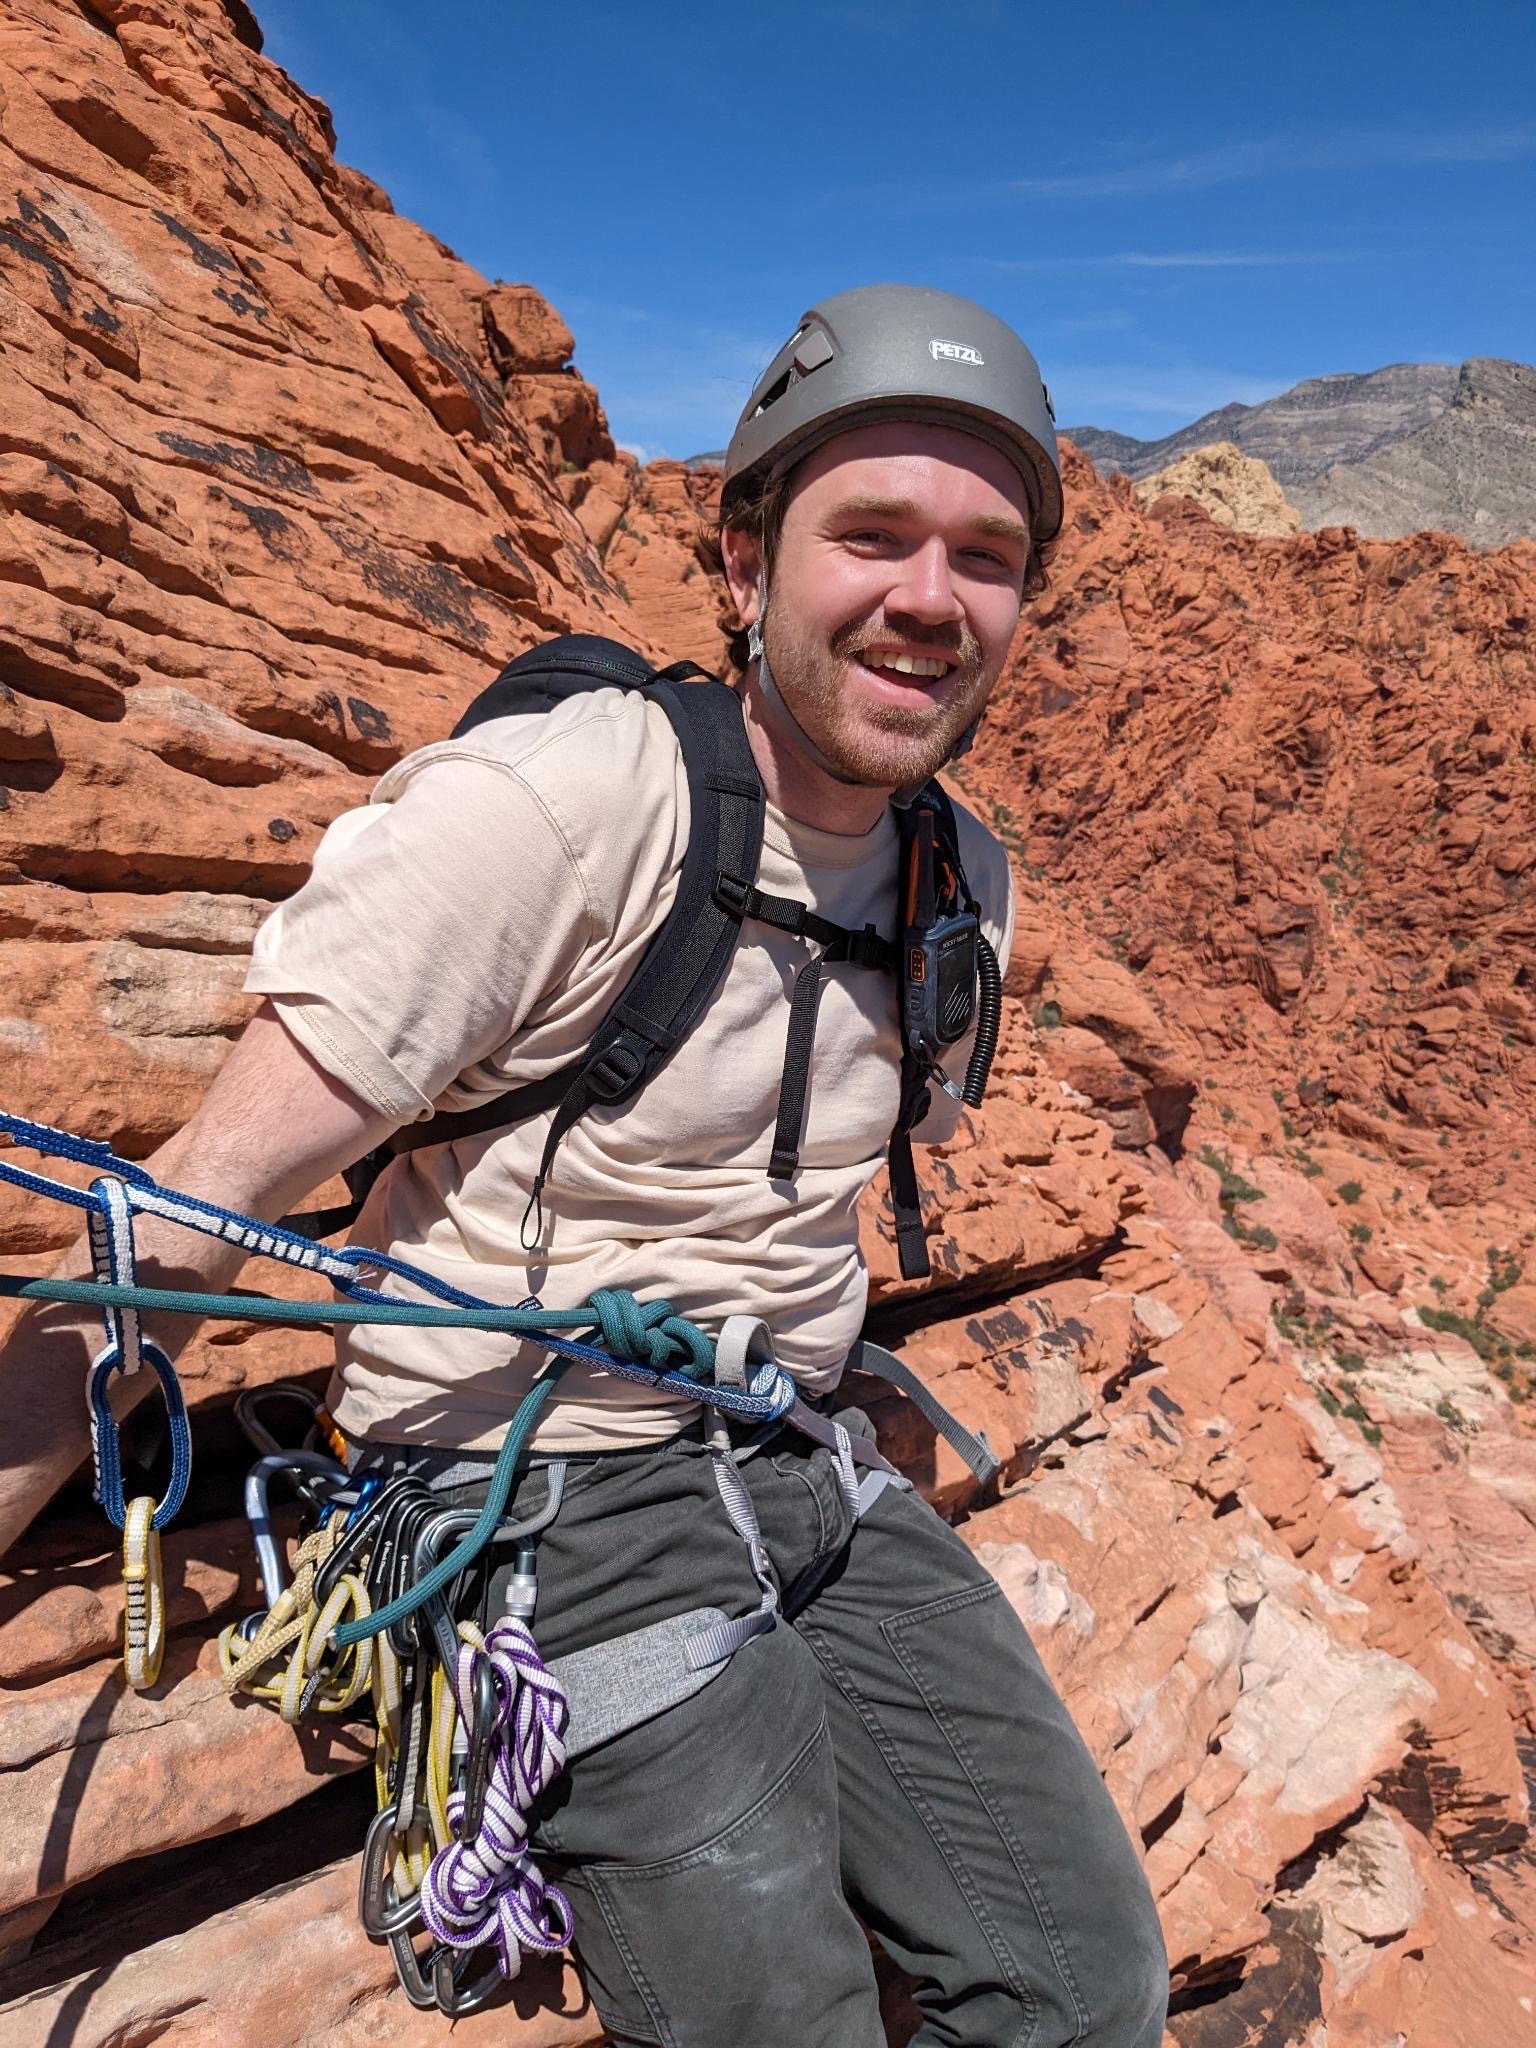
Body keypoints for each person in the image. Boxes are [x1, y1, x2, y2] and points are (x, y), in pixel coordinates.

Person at [0, 285, 1169, 2045]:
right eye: (873, 536)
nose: (930, 601)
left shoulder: (960, 883)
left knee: (1089, 1991)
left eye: (985, 557)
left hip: (799, 1453)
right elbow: (184, 1213)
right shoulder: (557, 814)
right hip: (543, 1494)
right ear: (742, 557)